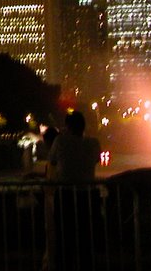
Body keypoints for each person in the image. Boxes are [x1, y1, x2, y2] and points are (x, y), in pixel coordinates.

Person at [43, 111, 102, 270]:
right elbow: (96, 159)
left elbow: (53, 160)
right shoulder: (94, 143)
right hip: (88, 195)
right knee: (86, 237)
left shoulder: (60, 141)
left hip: (65, 195)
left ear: (67, 126)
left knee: (64, 236)